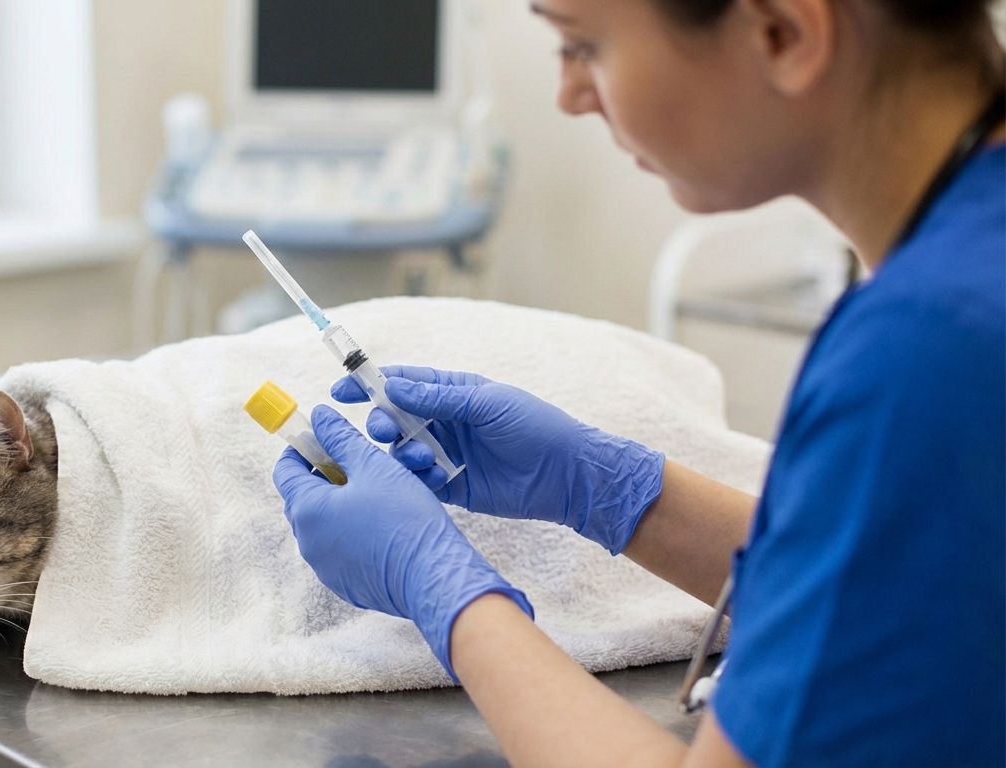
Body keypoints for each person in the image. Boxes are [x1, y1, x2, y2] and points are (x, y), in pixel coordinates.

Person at [270, 0, 1006, 765]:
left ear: (783, 32)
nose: (569, 95)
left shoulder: (929, 347)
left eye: (582, 45)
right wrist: (603, 486)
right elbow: (902, 584)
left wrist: (444, 594)